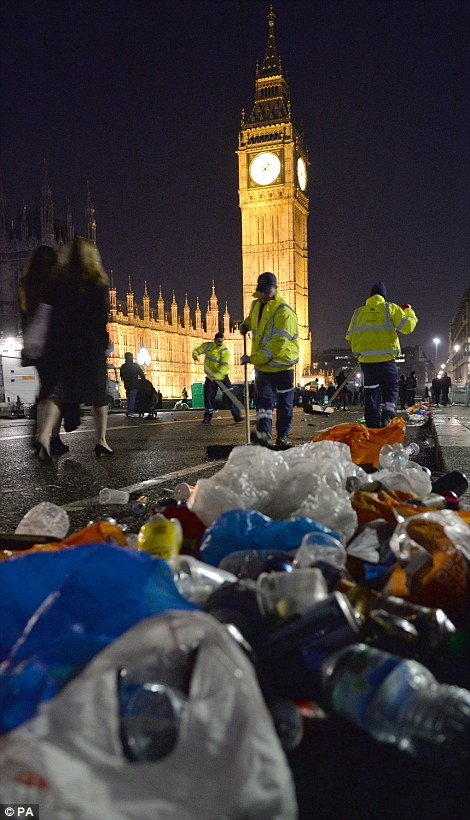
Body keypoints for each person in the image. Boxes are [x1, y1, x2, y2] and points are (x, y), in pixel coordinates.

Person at [35, 237, 114, 460]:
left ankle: (44, 437)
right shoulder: (96, 283)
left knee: (59, 392)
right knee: (99, 396)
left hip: (62, 344)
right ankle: (101, 441)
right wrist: (103, 343)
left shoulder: (58, 281)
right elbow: (100, 319)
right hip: (89, 344)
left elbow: (48, 310)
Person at [18, 245, 70, 457]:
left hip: (36, 348)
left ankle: (44, 437)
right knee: (58, 393)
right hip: (55, 346)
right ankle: (49, 438)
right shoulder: (55, 284)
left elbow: (24, 316)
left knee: (45, 392)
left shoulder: (26, 285)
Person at [345, 281, 418, 428]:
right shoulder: (390, 308)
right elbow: (407, 327)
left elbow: (349, 336)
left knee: (371, 392)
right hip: (386, 359)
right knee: (391, 386)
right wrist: (408, 311)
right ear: (383, 296)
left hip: (367, 362)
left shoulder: (358, 312)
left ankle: (372, 427)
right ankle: (389, 410)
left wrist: (360, 352)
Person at [240, 271, 299, 446]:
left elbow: (276, 345)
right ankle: (264, 433)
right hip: (263, 368)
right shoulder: (256, 304)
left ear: (276, 289)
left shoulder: (285, 312)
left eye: (267, 291)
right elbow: (255, 320)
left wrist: (252, 359)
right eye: (262, 291)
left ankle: (282, 435)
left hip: (282, 366)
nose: (264, 295)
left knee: (284, 405)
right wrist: (246, 324)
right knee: (263, 403)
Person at [192, 331, 242, 424]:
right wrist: (195, 355)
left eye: (221, 342)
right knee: (208, 398)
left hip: (222, 377)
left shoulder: (225, 351)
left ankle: (237, 416)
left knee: (230, 396)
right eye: (218, 341)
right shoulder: (207, 346)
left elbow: (223, 367)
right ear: (214, 340)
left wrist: (217, 376)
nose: (219, 343)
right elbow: (197, 350)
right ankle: (207, 418)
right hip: (210, 377)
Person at [120, 352, 145, 416]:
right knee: (132, 398)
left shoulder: (123, 366)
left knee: (129, 398)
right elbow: (141, 374)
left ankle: (129, 410)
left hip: (127, 384)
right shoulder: (135, 365)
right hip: (134, 384)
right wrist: (143, 380)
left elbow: (121, 376)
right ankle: (130, 411)